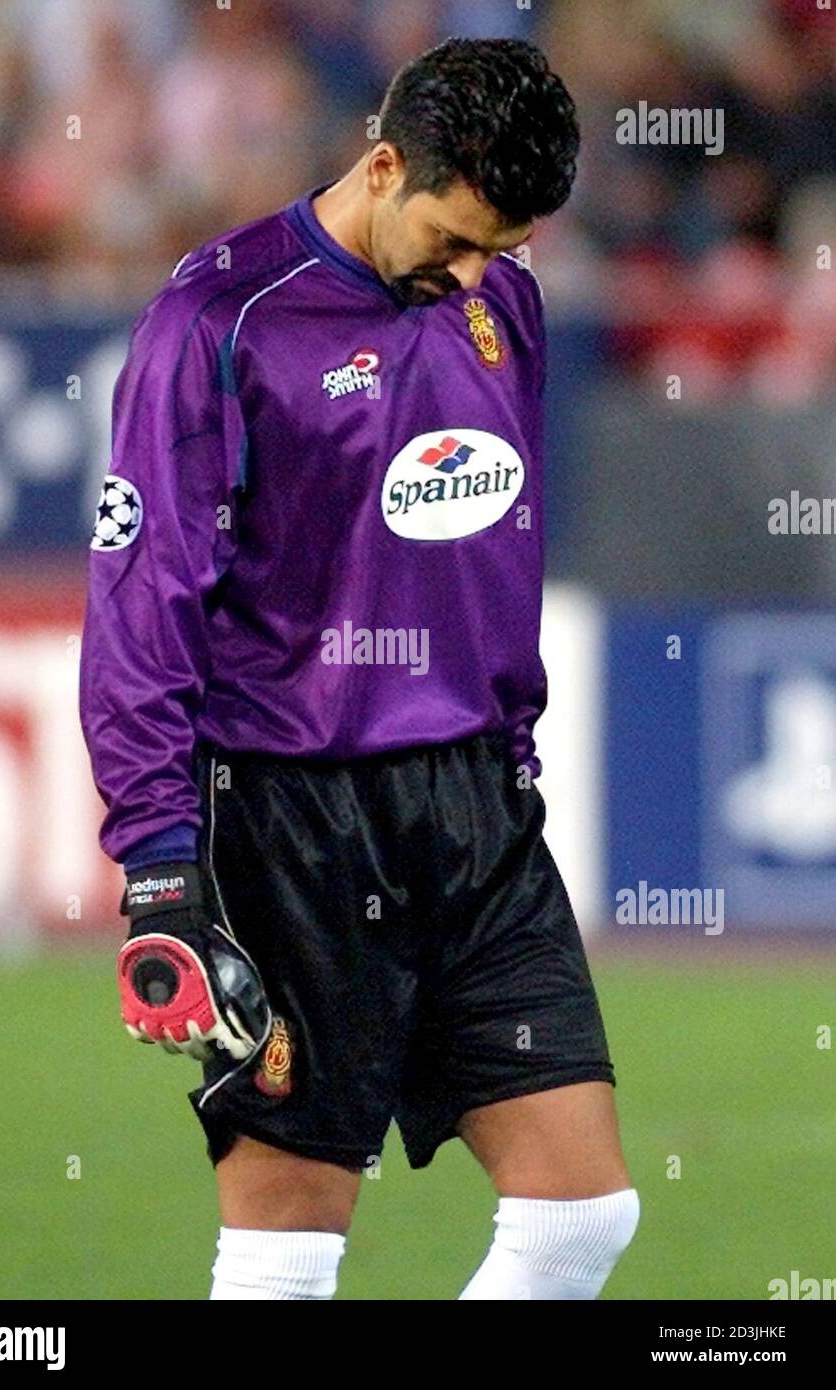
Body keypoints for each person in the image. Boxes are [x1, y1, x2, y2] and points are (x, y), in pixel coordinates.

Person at [80, 36, 640, 1301]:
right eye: (456, 237)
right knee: (285, 1257)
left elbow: (492, 548)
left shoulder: (505, 302)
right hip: (290, 816)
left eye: (505, 246)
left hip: (473, 809)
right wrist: (161, 871)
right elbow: (142, 606)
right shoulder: (217, 321)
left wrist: (512, 747)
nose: (476, 276)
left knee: (580, 1216)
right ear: (382, 165)